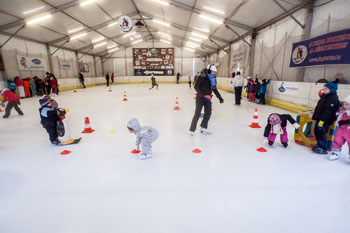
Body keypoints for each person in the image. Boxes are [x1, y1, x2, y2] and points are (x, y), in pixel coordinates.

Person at [189, 64, 224, 135]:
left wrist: (219, 97)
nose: (214, 73)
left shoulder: (213, 78)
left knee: (208, 113)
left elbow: (214, 88)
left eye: (215, 72)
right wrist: (201, 94)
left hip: (208, 98)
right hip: (200, 98)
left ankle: (203, 128)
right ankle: (192, 130)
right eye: (213, 72)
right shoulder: (202, 77)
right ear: (209, 70)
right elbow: (196, 86)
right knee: (197, 113)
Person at [312, 79, 340, 154]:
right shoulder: (325, 96)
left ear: (332, 90)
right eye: (324, 88)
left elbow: (327, 112)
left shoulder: (333, 98)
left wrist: (322, 120)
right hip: (320, 119)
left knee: (321, 132)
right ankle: (319, 144)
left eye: (326, 89)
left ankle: (323, 147)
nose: (324, 90)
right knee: (317, 131)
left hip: (324, 120)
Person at [328, 95, 350, 161]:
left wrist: (344, 122)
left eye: (347, 104)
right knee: (337, 140)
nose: (345, 106)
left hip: (349, 130)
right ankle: (336, 153)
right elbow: (337, 116)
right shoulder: (342, 110)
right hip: (341, 129)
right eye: (344, 104)